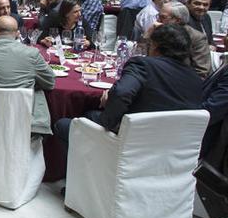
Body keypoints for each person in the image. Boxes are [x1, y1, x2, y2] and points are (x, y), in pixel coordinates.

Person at [54, 24, 203, 159]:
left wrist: (108, 122)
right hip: (172, 150)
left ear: (155, 46)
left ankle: (83, 180)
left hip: (132, 144)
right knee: (90, 115)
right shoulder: (196, 79)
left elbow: (122, 93)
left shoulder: (143, 64)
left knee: (63, 125)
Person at [0, 16, 55, 135]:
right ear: (17, 34)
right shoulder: (31, 53)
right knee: (38, 92)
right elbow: (50, 83)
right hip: (19, 123)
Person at [152, 2, 211, 78]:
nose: (157, 20)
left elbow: (202, 72)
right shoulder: (158, 32)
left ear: (177, 20)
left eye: (163, 17)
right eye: (158, 16)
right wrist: (147, 35)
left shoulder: (197, 38)